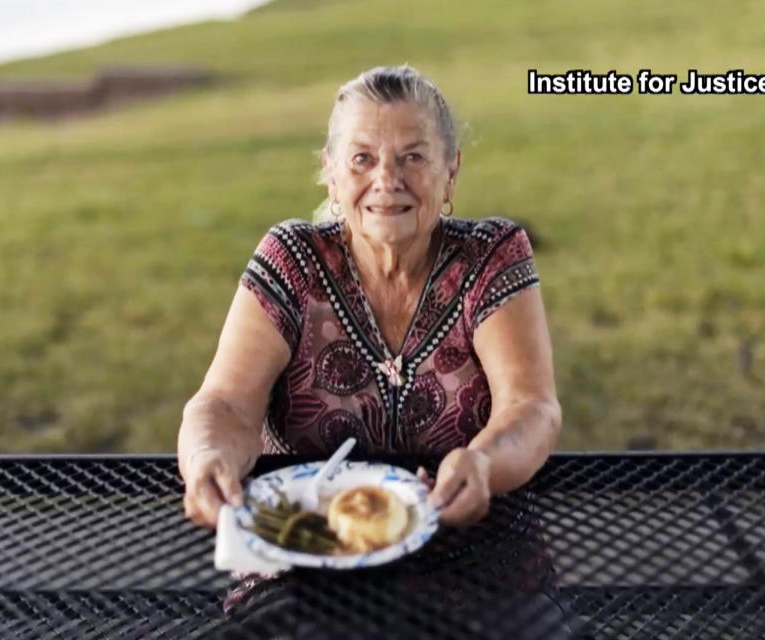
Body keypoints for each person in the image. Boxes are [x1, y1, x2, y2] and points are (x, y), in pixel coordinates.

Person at [178, 64, 562, 529]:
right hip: (302, 546)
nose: (387, 179)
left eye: (414, 157)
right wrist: (205, 458)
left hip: (472, 546)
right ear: (332, 173)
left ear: (451, 171)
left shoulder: (492, 257)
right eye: (363, 159)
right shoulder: (291, 260)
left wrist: (483, 463)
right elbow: (225, 404)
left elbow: (530, 406)